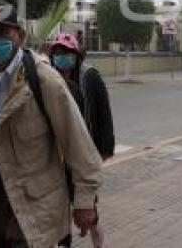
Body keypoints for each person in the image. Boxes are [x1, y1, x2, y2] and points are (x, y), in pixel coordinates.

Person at [0, 2, 102, 248]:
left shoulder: (44, 80)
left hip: (32, 210)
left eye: (1, 32)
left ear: (20, 36)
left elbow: (78, 144)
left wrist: (84, 202)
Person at [48, 32, 114, 248]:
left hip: (84, 154)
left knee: (89, 211)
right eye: (57, 53)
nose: (61, 57)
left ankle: (96, 236)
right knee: (59, 210)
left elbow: (104, 114)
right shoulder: (47, 79)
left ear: (77, 55)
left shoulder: (89, 77)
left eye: (66, 53)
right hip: (56, 157)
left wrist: (105, 149)